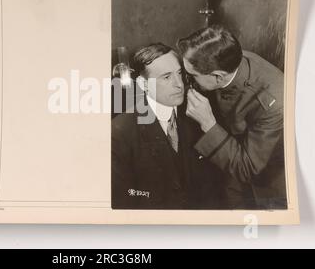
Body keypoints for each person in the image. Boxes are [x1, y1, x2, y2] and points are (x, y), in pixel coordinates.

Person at [178, 26, 287, 209]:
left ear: (218, 77)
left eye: (192, 76)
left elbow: (248, 168)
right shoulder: (225, 58)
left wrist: (208, 123)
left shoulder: (273, 102)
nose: (187, 80)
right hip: (230, 162)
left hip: (264, 185)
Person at [111, 43, 226, 209]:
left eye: (179, 74)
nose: (179, 84)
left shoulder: (200, 112)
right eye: (166, 77)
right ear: (143, 84)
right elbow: (124, 200)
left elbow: (217, 183)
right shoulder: (120, 132)